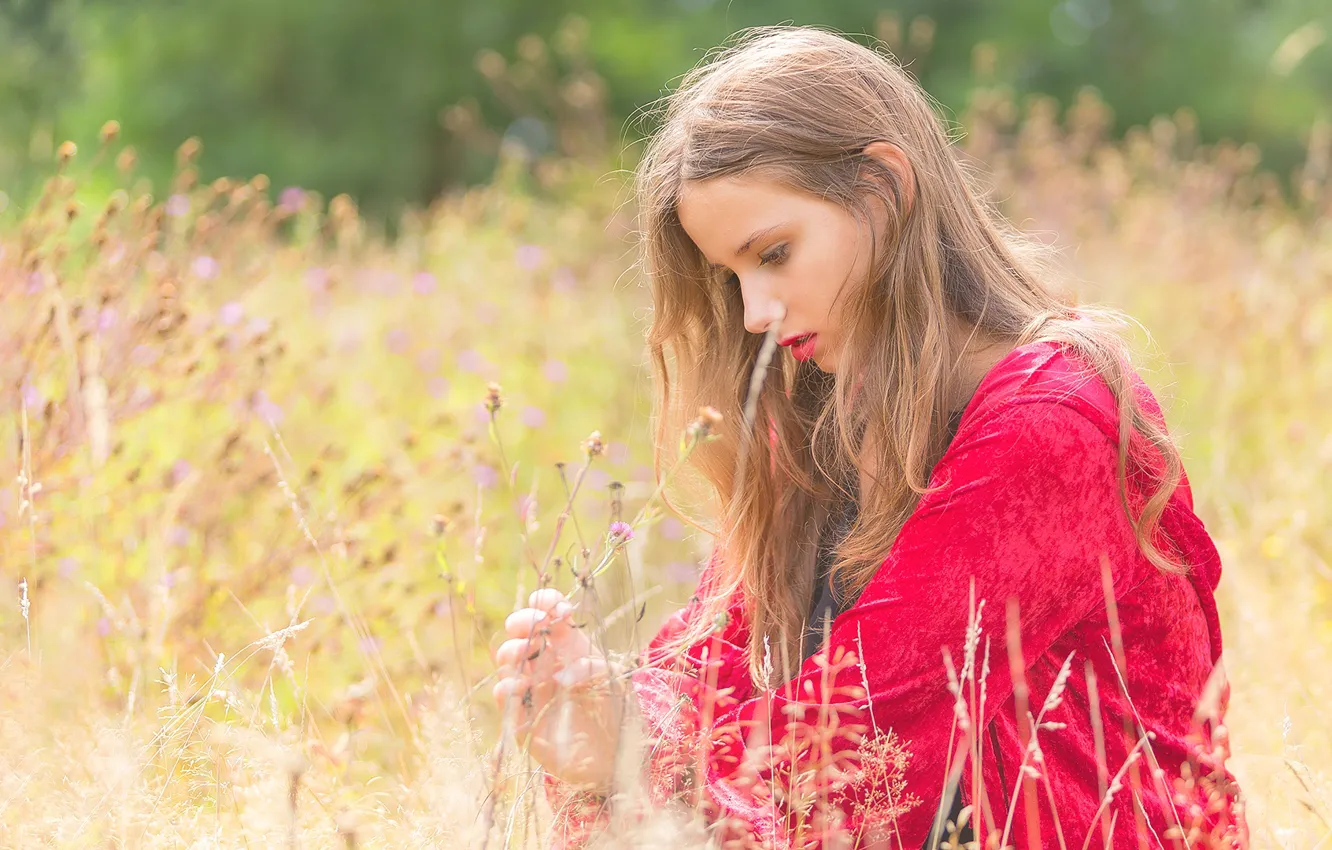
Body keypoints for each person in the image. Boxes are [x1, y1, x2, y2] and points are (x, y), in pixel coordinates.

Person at [491, 25, 1246, 850]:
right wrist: (592, 702)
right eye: (731, 277)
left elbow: (851, 746)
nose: (754, 314)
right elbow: (710, 678)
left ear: (883, 187)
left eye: (774, 253)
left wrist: (626, 749)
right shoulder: (830, 422)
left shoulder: (1053, 424)